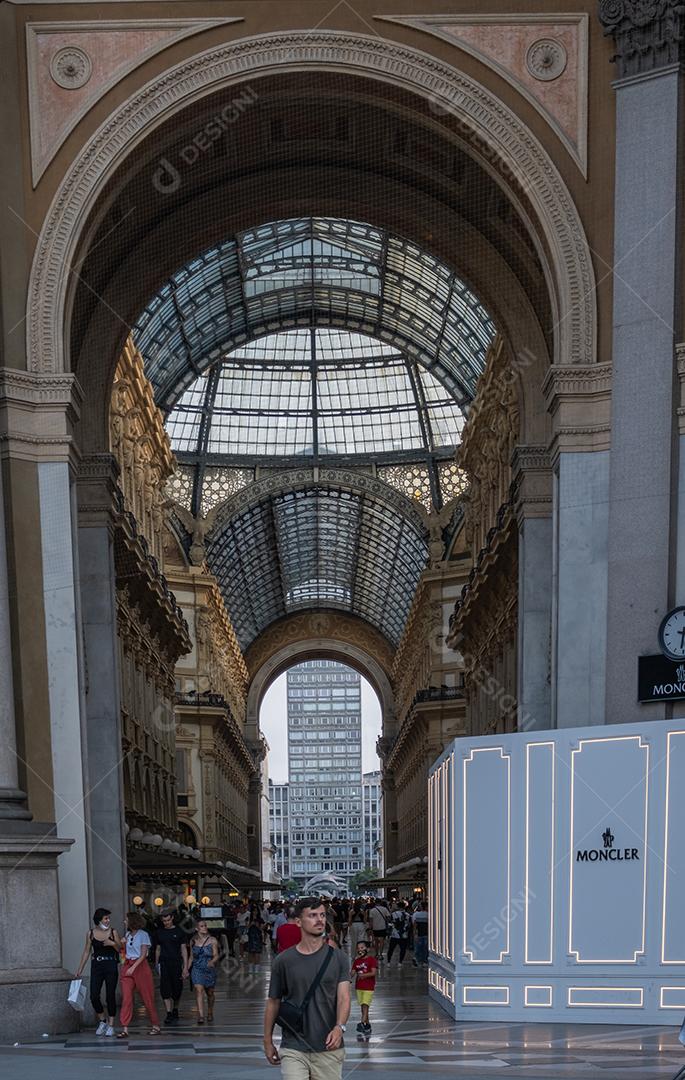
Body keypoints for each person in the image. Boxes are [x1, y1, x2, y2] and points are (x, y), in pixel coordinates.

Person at [264, 896, 351, 1080]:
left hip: (328, 1045)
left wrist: (339, 1027)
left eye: (322, 915)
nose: (319, 920)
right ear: (298, 922)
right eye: (312, 915)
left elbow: (344, 997)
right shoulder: (284, 961)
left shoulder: (339, 958)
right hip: (293, 1045)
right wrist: (267, 1040)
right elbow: (273, 1001)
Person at [75, 907, 122, 1037]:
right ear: (98, 920)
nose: (108, 920)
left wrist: (112, 943)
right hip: (96, 965)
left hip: (111, 964)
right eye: (105, 918)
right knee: (94, 995)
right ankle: (103, 1021)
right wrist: (80, 969)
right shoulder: (90, 933)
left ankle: (111, 1024)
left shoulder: (113, 932)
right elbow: (86, 951)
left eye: (108, 918)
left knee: (110, 995)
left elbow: (120, 949)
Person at [118, 911, 161, 1037]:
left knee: (147, 997)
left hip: (140, 966)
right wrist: (122, 947)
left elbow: (143, 955)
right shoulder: (127, 934)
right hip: (128, 965)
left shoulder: (143, 935)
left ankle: (155, 1025)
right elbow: (124, 953)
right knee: (126, 998)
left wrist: (134, 967)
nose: (124, 921)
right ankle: (124, 1028)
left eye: (126, 919)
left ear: (132, 921)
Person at [154, 910, 189, 1025]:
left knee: (177, 989)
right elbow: (158, 949)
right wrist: (156, 963)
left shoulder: (179, 931)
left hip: (176, 963)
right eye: (164, 921)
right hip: (164, 963)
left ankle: (175, 1008)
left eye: (168, 920)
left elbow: (183, 949)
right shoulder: (159, 932)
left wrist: (185, 967)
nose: (166, 923)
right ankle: (168, 1013)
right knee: (165, 989)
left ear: (172, 918)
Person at [190, 918, 219, 1024]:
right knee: (199, 990)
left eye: (205, 925)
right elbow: (191, 957)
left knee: (210, 993)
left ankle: (210, 1012)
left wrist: (212, 961)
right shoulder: (193, 941)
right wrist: (185, 969)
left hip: (209, 968)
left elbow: (216, 955)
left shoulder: (212, 940)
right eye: (202, 926)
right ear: (197, 928)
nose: (205, 927)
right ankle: (200, 1015)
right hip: (197, 968)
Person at [350, 940, 377, 1036]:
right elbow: (352, 972)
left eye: (362, 948)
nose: (360, 950)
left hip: (368, 987)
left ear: (367, 949)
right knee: (363, 1008)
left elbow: (373, 973)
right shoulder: (356, 961)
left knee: (365, 1005)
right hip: (359, 987)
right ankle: (367, 1026)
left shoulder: (371, 960)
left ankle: (362, 1023)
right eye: (358, 948)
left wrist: (364, 975)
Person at [387, 901, 410, 966]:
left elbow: (389, 923)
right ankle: (400, 962)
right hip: (404, 934)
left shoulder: (393, 914)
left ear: (398, 906)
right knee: (403, 949)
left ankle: (388, 962)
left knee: (391, 949)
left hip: (394, 934)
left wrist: (389, 931)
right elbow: (409, 925)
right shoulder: (408, 915)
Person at [411, 901, 429, 967]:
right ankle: (424, 961)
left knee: (417, 947)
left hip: (418, 933)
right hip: (426, 934)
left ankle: (416, 959)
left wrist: (414, 933)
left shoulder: (416, 914)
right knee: (425, 948)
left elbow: (414, 924)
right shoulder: (429, 914)